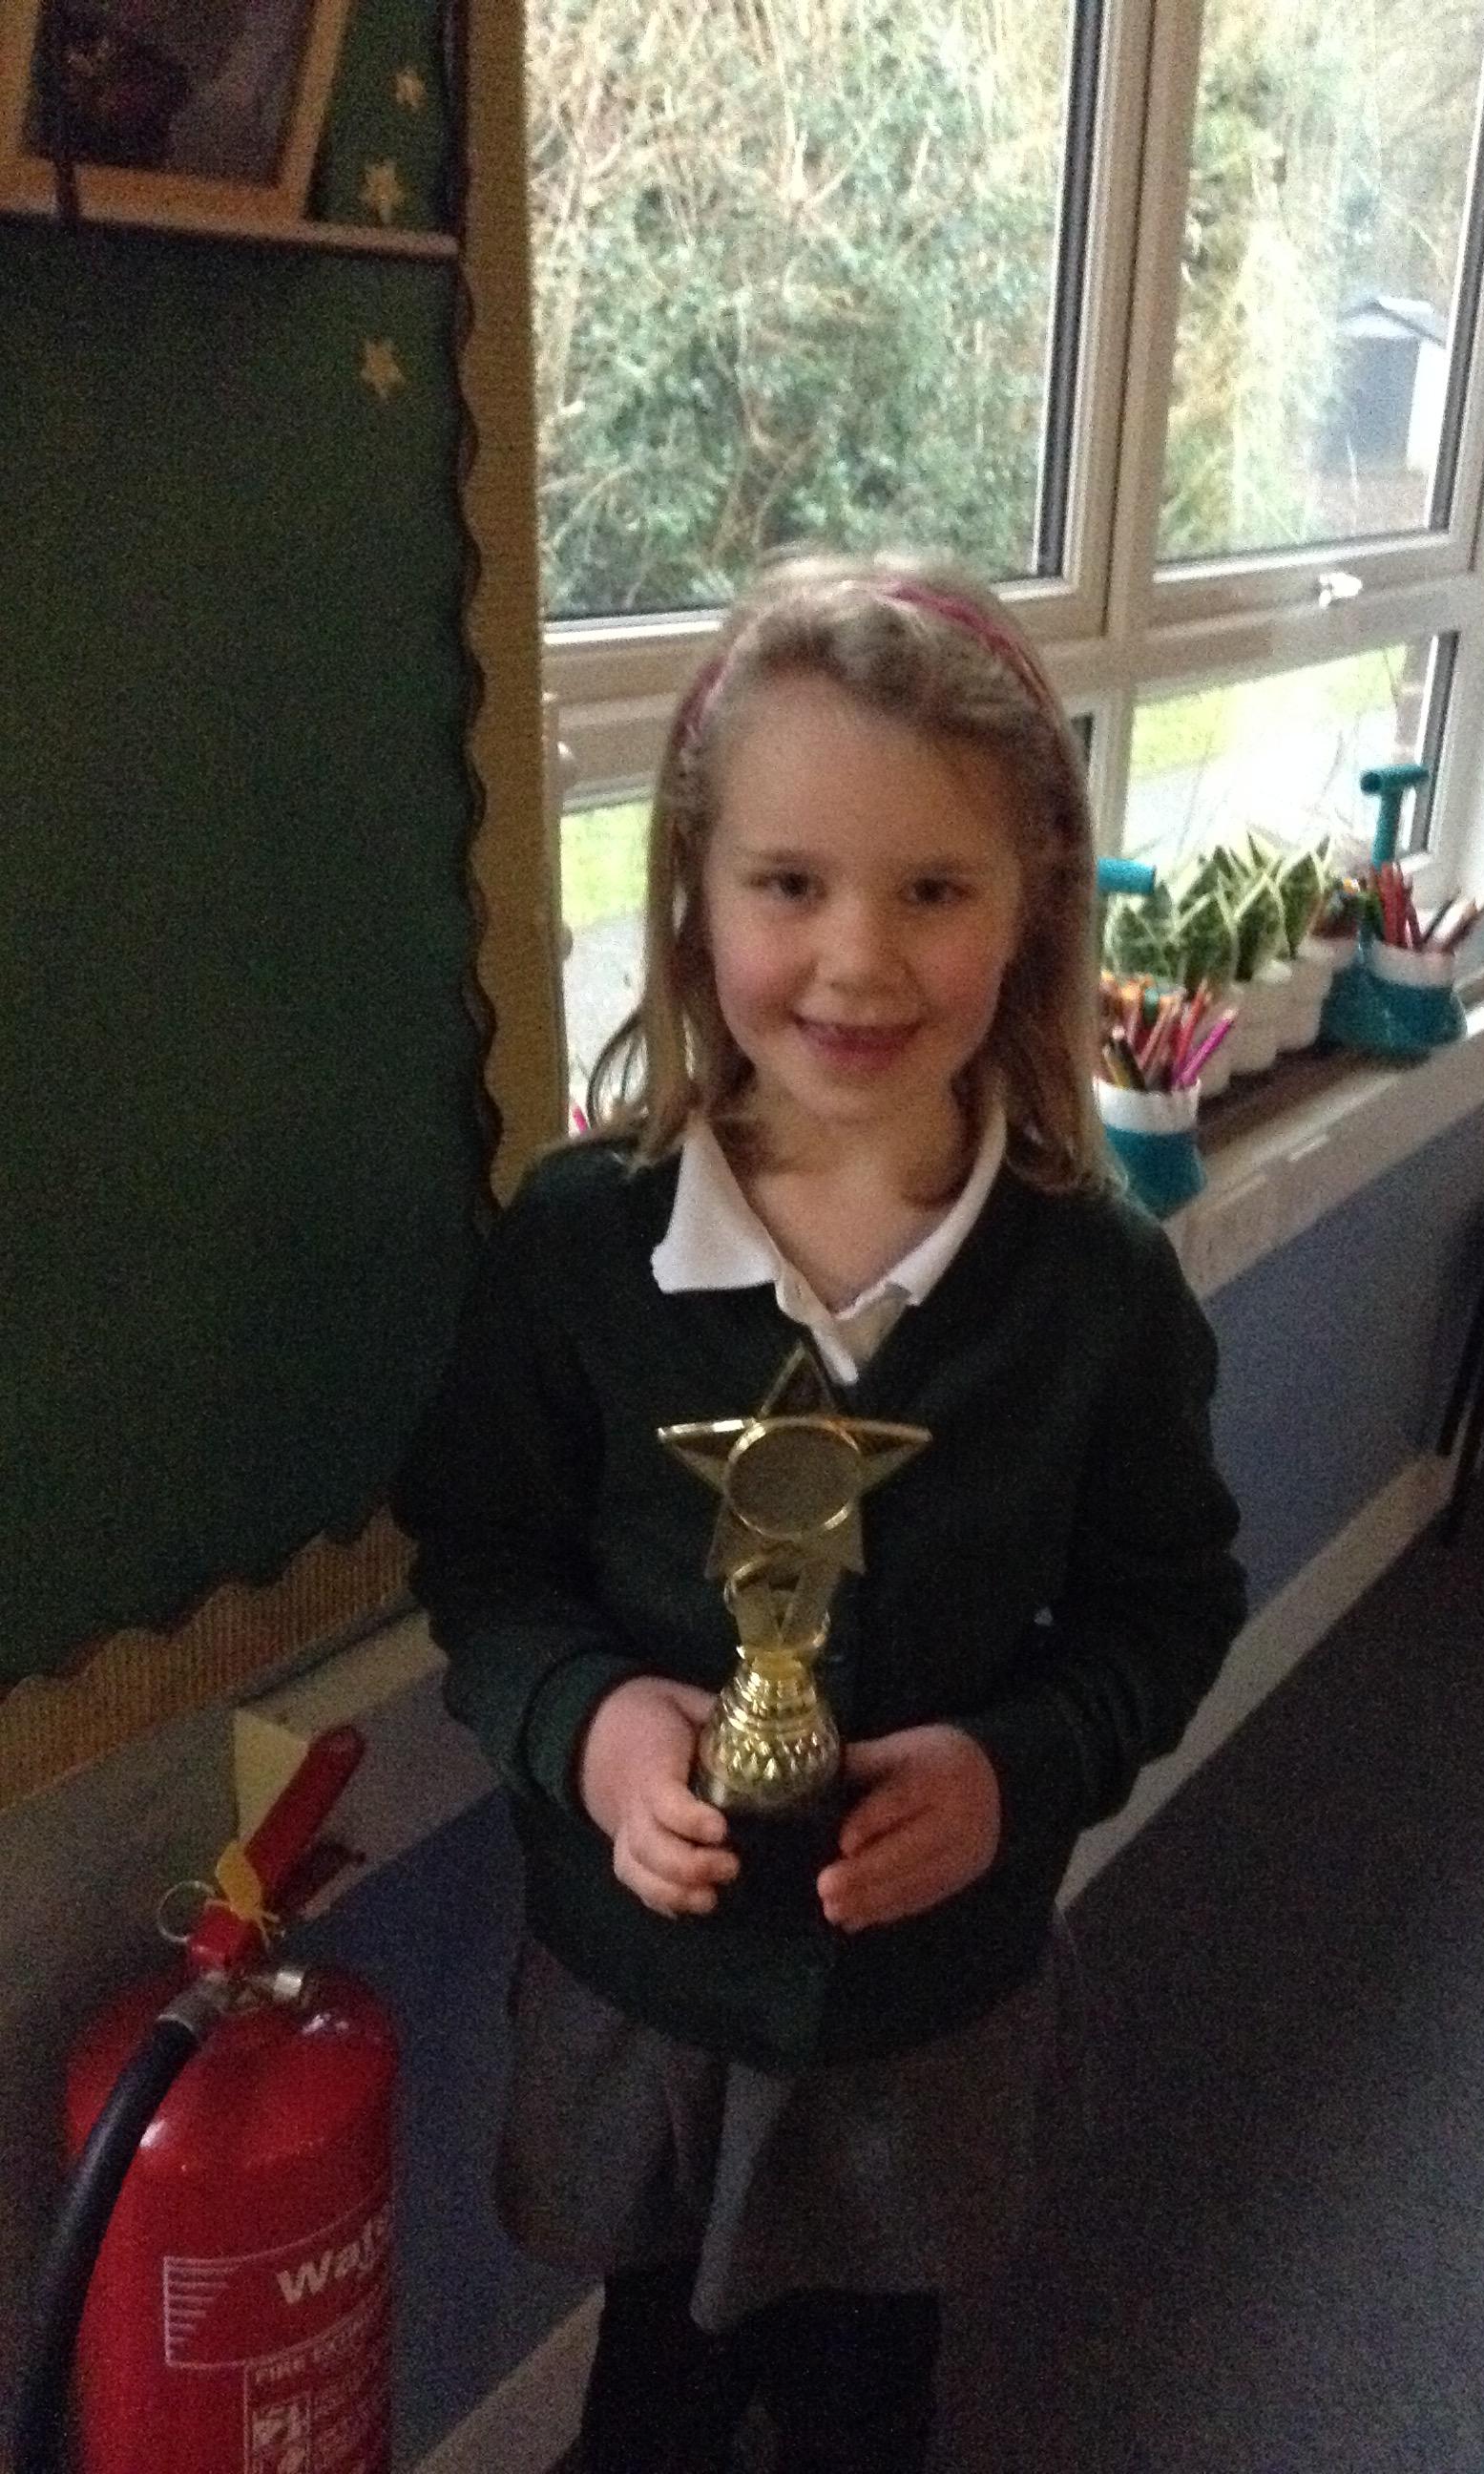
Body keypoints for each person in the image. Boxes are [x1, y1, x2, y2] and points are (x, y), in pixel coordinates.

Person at [393, 547, 1246, 2473]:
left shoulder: (1097, 1292)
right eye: (789, 884)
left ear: (1031, 907)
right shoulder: (579, 1247)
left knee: (870, 2406)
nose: (858, 961)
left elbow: (1165, 1614)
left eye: (932, 890)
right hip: (647, 1992)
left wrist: (1016, 1769)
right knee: (649, 2405)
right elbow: (489, 1565)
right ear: (692, 895)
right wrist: (587, 1728)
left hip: (928, 2003)